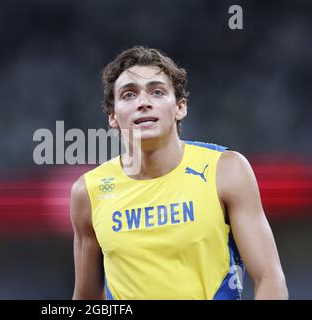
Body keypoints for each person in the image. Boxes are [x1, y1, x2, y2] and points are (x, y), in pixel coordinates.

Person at [70, 46, 288, 300]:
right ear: (113, 117)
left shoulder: (225, 170)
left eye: (157, 92)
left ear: (180, 107)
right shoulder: (89, 191)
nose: (143, 103)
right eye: (129, 95)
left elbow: (270, 279)